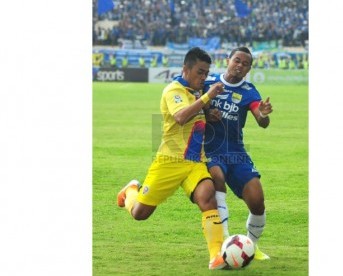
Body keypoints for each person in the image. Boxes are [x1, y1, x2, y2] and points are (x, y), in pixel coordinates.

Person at [117, 47, 227, 270]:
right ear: (185, 69)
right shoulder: (173, 91)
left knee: (208, 198)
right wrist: (208, 96)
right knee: (140, 214)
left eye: (206, 73)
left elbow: (196, 116)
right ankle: (130, 191)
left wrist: (209, 114)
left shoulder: (196, 90)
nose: (203, 77)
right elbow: (180, 117)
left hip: (195, 162)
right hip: (169, 162)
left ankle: (216, 256)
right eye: (199, 72)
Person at [203, 46, 273, 260]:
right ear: (228, 60)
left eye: (245, 64)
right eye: (237, 60)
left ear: (249, 68)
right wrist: (206, 112)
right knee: (217, 179)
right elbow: (191, 103)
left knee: (257, 201)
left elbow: (261, 121)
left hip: (236, 152)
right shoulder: (209, 82)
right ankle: (224, 242)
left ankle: (252, 246)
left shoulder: (249, 91)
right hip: (211, 149)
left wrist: (263, 114)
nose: (240, 66)